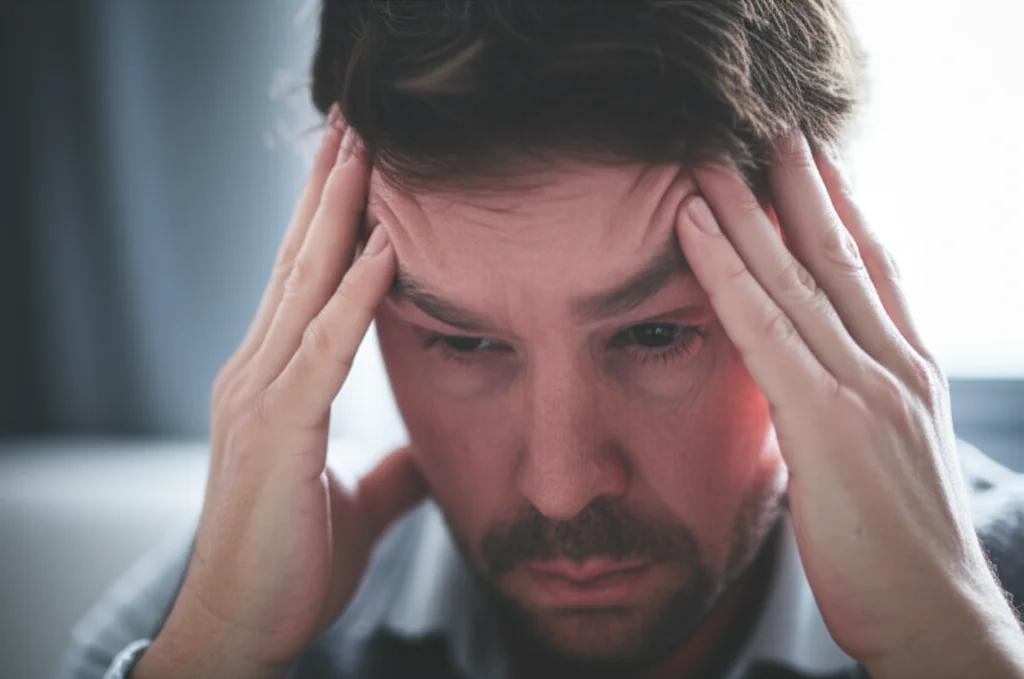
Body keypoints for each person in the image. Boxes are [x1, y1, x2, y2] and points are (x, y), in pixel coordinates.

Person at [59, 1, 1024, 678]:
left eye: (654, 334)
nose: (562, 486)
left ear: (822, 277)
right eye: (463, 344)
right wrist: (220, 649)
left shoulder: (989, 611)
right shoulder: (225, 608)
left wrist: (954, 648)